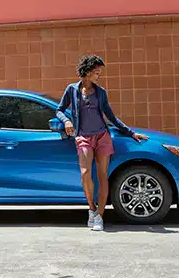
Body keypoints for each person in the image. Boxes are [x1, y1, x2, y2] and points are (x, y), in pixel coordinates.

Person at [56, 54, 148, 231]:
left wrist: (130, 133)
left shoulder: (101, 92)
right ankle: (91, 209)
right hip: (83, 137)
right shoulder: (72, 90)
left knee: (102, 176)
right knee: (85, 173)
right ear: (87, 72)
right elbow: (59, 110)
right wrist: (66, 121)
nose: (99, 76)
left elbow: (111, 117)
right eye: (97, 73)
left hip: (102, 137)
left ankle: (100, 216)